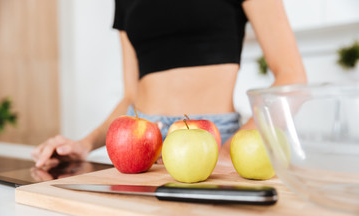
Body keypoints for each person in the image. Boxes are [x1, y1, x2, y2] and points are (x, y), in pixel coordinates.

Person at [31, 0, 306, 170]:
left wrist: (226, 151)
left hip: (215, 141)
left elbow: (292, 77)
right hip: (142, 142)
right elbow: (132, 95)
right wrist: (85, 144)